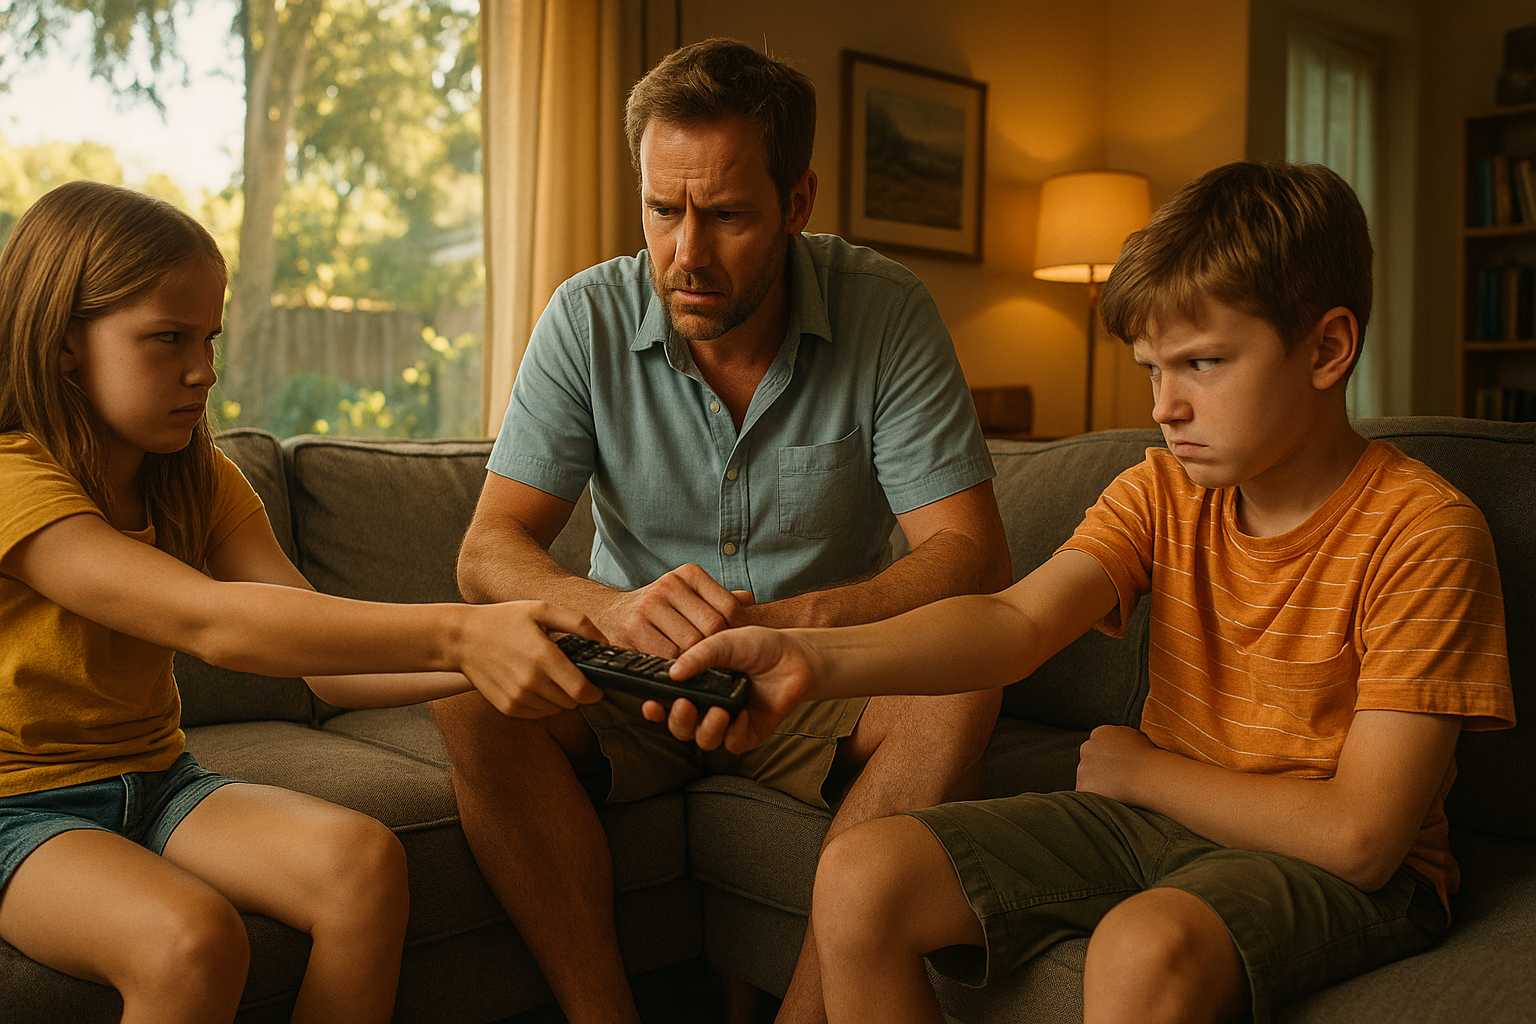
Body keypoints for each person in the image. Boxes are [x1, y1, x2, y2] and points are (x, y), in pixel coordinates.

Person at [664, 161, 1517, 1024]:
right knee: (860, 876)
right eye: (1152, 369)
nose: (1166, 406)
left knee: (1141, 948)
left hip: (1339, 874)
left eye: (1203, 363)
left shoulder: (1426, 532)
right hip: (1155, 828)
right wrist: (806, 656)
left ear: (1328, 348)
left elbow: (1363, 838)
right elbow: (1012, 621)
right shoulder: (1162, 491)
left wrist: (1143, 773)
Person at [433, 37, 1011, 1024]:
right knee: (467, 692)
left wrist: (793, 628)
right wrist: (612, 611)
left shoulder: (887, 313)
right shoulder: (585, 319)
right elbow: (487, 551)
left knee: (965, 678)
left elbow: (971, 555)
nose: (687, 253)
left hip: (813, 677)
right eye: (665, 210)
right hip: (632, 673)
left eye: (728, 215)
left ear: (796, 203)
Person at [0, 180, 613, 1024]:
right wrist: (465, 634)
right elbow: (212, 623)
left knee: (364, 864)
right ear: (67, 344)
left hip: (157, 778)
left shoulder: (199, 477)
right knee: (191, 941)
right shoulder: (13, 479)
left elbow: (326, 665)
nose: (202, 372)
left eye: (208, 339)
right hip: (18, 806)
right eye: (167, 339)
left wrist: (500, 662)